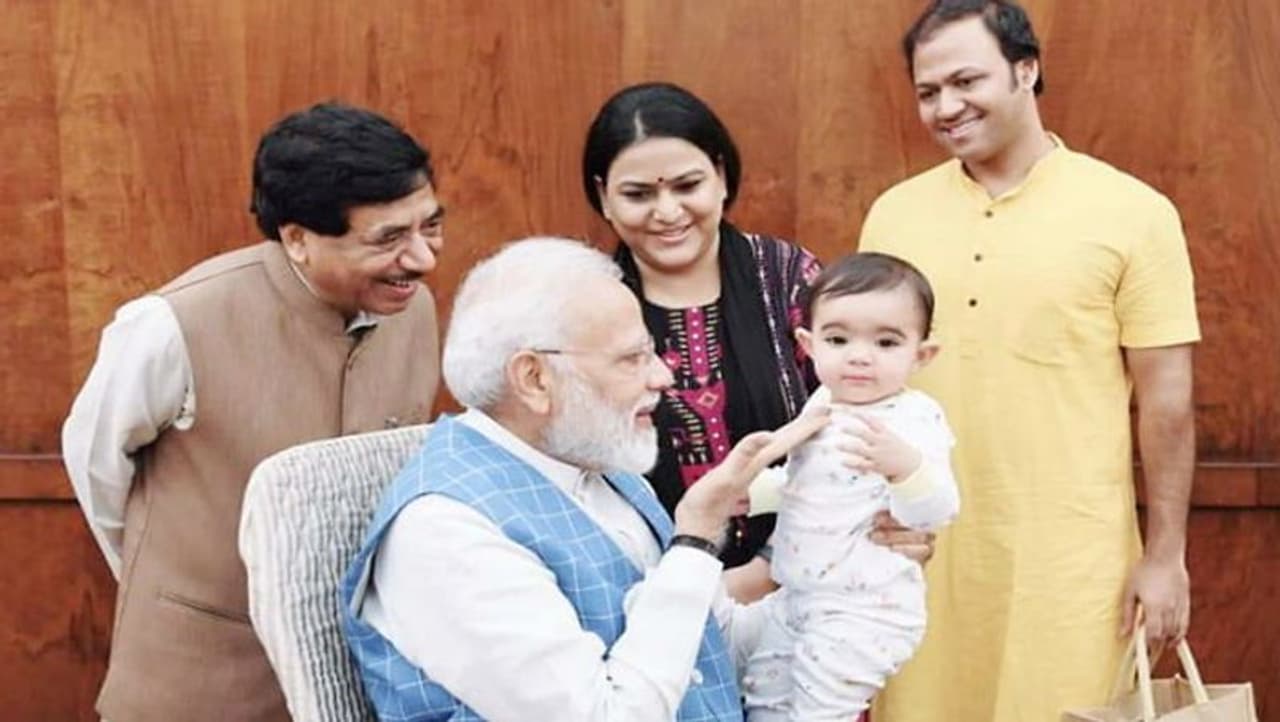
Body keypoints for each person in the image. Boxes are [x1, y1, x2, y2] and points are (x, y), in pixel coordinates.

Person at [858, 2, 1200, 720]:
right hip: (922, 553)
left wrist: (1165, 556)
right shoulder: (894, 215)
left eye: (966, 81)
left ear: (1025, 69)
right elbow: (864, 381)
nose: (946, 107)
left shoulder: (1134, 212)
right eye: (928, 91)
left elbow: (1167, 401)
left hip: (1071, 562)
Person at [62, 102, 444, 722]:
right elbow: (96, 464)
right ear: (297, 238)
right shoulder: (174, 322)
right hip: (197, 684)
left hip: (352, 680)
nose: (423, 259)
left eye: (431, 226)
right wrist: (160, 583)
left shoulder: (414, 308)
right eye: (389, 239)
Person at [341, 237, 829, 722]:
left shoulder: (599, 465)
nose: (663, 376)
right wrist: (694, 542)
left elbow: (708, 651)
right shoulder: (446, 532)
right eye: (632, 358)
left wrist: (845, 562)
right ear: (534, 378)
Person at [581, 82, 933, 601]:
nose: (668, 211)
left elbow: (865, 415)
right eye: (639, 194)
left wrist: (767, 572)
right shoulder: (586, 306)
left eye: (687, 185)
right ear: (603, 197)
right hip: (642, 601)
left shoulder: (787, 278)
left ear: (721, 177)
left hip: (804, 590)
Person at [742, 253, 959, 721]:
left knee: (820, 712)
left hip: (863, 611)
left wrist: (906, 470)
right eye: (838, 339)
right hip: (796, 596)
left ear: (921, 355)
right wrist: (754, 494)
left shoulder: (914, 419)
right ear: (809, 344)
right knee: (763, 700)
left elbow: (938, 510)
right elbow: (812, 482)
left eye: (886, 342)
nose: (860, 356)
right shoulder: (823, 402)